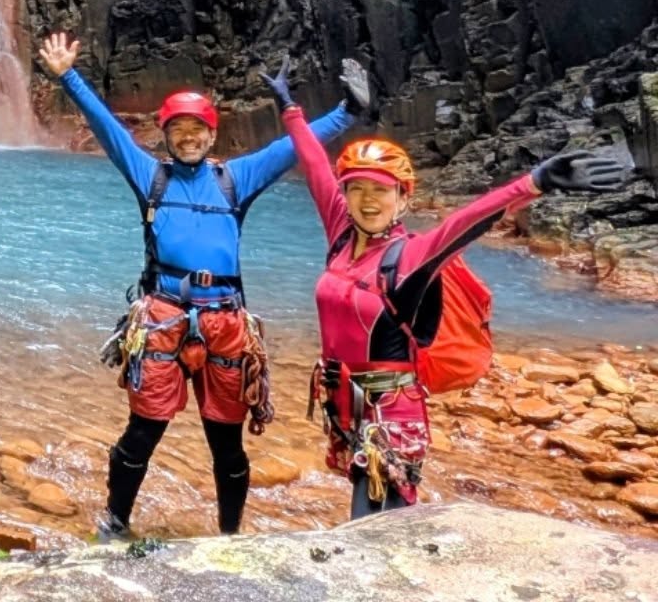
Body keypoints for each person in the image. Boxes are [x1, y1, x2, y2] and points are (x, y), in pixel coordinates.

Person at [262, 56, 631, 517]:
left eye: (381, 190)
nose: (367, 199)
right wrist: (289, 109)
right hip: (345, 402)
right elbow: (316, 166)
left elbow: (465, 222)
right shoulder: (342, 233)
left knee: (370, 525)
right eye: (357, 188)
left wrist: (535, 183)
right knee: (374, 520)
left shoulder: (410, 257)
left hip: (390, 412)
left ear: (403, 198)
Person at [37, 31, 362, 539]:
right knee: (141, 433)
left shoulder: (237, 177)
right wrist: (68, 77)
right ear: (166, 135)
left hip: (224, 321)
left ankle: (229, 537)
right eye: (178, 130)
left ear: (212, 135)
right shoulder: (151, 176)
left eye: (197, 129)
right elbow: (109, 130)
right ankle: (115, 523)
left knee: (226, 443)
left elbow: (293, 147)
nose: (188, 137)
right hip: (163, 317)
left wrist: (348, 113)